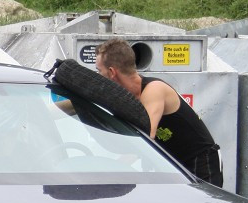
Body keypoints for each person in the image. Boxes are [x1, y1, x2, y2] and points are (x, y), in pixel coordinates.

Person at [95, 38, 223, 186]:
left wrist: (113, 171)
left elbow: (145, 138)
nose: (98, 76)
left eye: (99, 71)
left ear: (111, 72)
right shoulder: (127, 96)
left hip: (200, 164)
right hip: (174, 164)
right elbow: (77, 103)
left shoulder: (154, 89)